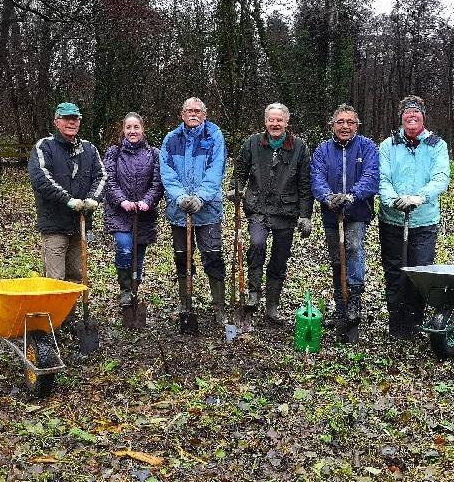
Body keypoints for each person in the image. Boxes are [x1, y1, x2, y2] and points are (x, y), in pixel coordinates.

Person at [230, 102, 312, 332]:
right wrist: (234, 189)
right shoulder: (252, 143)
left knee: (279, 258)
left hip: (286, 213)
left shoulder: (299, 148)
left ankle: (272, 304)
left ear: (287, 122)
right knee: (256, 244)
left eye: (279, 120)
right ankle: (254, 292)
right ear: (265, 121)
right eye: (271, 120)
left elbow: (305, 185)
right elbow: (240, 172)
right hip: (258, 208)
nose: (275, 124)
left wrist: (305, 215)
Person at [378, 95, 450, 339]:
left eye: (416, 113)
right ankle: (397, 324)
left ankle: (415, 322)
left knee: (419, 273)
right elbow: (383, 178)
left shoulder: (436, 145)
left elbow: (441, 178)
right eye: (407, 112)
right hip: (393, 221)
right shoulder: (389, 145)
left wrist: (420, 197)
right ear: (401, 117)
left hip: (423, 221)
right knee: (395, 272)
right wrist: (392, 200)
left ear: (423, 117)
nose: (411, 116)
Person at [310, 103, 379, 343]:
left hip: (358, 210)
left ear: (357, 126)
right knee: (336, 257)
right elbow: (316, 177)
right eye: (340, 122)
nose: (345, 126)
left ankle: (355, 301)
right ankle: (341, 304)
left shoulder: (367, 147)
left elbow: (372, 176)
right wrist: (327, 197)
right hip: (331, 212)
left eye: (350, 122)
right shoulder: (322, 150)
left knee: (353, 247)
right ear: (332, 125)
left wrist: (351, 196)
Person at [160, 97, 228, 324]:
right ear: (182, 114)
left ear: (204, 114)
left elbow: (216, 169)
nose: (193, 114)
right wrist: (180, 197)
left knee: (213, 256)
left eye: (198, 111)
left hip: (208, 211)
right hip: (179, 213)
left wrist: (200, 197)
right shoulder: (171, 139)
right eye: (189, 110)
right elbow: (167, 172)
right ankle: (185, 303)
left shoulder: (214, 136)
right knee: (182, 258)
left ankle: (219, 307)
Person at [28, 102, 107, 286]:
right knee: (55, 279)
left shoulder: (89, 149)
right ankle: (55, 315)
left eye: (75, 119)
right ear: (57, 121)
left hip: (80, 224)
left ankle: (71, 315)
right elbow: (41, 179)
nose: (71, 122)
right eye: (66, 118)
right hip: (54, 225)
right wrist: (67, 200)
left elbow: (102, 176)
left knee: (76, 277)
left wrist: (93, 199)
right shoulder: (44, 147)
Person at [103, 112, 163, 311]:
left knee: (138, 254)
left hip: (144, 215)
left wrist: (147, 201)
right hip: (119, 213)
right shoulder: (114, 152)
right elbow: (109, 180)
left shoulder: (153, 154)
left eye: (136, 127)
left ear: (142, 129)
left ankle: (135, 287)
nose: (132, 131)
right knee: (124, 248)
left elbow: (157, 183)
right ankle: (125, 289)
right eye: (128, 127)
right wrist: (122, 201)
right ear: (123, 130)